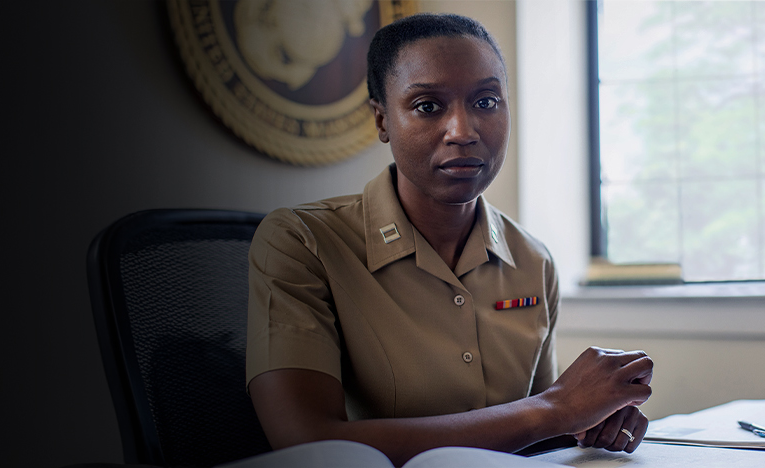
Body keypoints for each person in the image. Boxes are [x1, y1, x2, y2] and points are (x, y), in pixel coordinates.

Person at [245, 13, 652, 466]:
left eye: (486, 101)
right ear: (382, 121)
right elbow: (307, 442)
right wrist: (555, 410)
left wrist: (587, 422)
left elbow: (539, 433)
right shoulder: (302, 242)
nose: (463, 131)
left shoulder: (531, 259)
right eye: (427, 106)